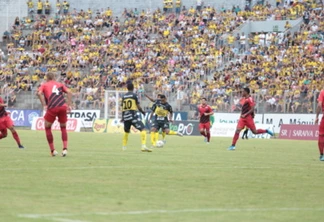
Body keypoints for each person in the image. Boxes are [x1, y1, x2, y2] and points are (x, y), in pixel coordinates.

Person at [37, 72, 72, 157]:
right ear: (54, 77)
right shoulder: (60, 84)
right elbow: (69, 92)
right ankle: (65, 149)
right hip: (62, 106)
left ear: (47, 78)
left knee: (47, 127)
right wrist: (68, 105)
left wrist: (44, 105)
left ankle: (53, 150)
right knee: (63, 127)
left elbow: (39, 93)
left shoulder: (44, 85)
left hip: (52, 106)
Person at [121, 82, 151, 152]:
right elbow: (138, 106)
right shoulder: (134, 95)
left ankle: (124, 147)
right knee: (143, 129)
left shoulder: (123, 96)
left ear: (127, 88)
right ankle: (143, 146)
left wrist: (122, 117)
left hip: (125, 116)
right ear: (133, 87)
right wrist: (143, 112)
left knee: (126, 132)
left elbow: (122, 108)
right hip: (133, 115)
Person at [315, 90, 324, 161]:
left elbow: (319, 105)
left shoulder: (322, 92)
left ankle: (321, 155)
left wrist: (317, 117)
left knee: (321, 136)